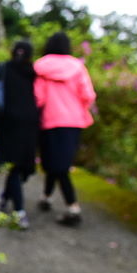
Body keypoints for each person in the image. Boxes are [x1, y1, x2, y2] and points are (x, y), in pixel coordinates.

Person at [33, 31, 97, 226]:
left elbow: (39, 98)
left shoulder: (41, 67)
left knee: (54, 164)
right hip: (74, 121)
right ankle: (47, 197)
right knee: (60, 163)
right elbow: (88, 95)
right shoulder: (77, 67)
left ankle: (73, 207)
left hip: (50, 121)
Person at [0, 40, 40, 230]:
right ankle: (18, 210)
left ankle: (10, 203)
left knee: (15, 167)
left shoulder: (3, 69)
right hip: (29, 125)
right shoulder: (34, 72)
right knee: (18, 168)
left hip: (8, 125)